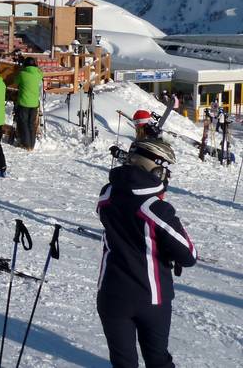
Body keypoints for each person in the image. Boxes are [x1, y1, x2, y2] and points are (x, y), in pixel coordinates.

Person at [96, 138, 197, 368]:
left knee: (123, 363)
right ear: (157, 171)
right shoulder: (155, 208)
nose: (167, 178)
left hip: (111, 294)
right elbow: (189, 255)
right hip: (151, 298)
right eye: (165, 172)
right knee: (158, 361)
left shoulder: (107, 194)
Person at [13, 57, 44, 150]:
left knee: (24, 123)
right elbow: (41, 73)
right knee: (31, 124)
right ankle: (32, 144)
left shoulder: (22, 74)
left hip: (24, 103)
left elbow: (15, 81)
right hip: (34, 103)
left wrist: (20, 70)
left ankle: (27, 145)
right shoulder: (38, 74)